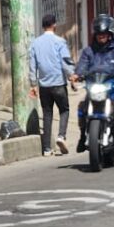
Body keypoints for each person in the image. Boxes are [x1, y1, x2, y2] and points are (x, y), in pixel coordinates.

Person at [72, 14, 114, 152]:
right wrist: (77, 74)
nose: (101, 36)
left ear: (110, 34)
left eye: (104, 34)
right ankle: (82, 137)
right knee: (82, 107)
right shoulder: (89, 51)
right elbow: (83, 64)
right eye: (99, 34)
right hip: (96, 85)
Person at [29, 14, 74, 156]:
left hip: (44, 86)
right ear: (54, 25)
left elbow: (32, 65)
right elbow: (65, 62)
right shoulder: (60, 41)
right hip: (59, 83)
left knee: (47, 114)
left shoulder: (35, 43)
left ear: (43, 26)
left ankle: (47, 148)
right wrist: (71, 76)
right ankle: (61, 136)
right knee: (64, 110)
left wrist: (33, 84)